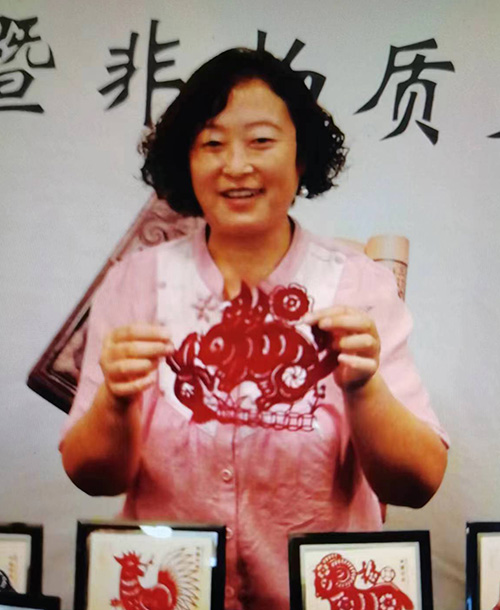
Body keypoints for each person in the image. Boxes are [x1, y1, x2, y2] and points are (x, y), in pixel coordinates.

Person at [60, 48, 448, 610]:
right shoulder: (137, 282)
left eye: (261, 141)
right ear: (186, 159)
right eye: (212, 144)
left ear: (302, 155)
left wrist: (365, 389)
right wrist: (115, 402)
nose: (236, 165)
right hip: (176, 596)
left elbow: (417, 484)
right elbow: (93, 477)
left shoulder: (357, 285)